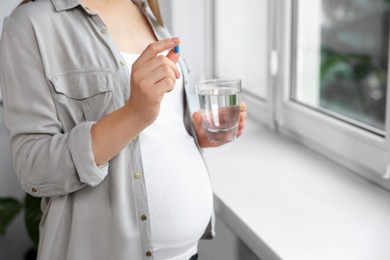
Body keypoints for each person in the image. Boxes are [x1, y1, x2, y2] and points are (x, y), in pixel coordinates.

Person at [0, 0, 247, 259]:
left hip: (189, 253)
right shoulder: (31, 24)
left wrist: (196, 134)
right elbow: (33, 168)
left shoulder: (144, 9)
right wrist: (133, 114)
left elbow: (158, 126)